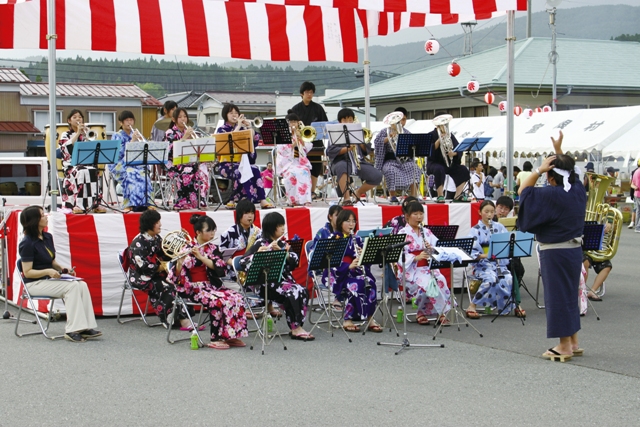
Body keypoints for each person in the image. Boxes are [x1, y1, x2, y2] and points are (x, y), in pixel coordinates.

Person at [518, 130, 586, 361]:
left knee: (558, 297)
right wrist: (559, 152)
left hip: (555, 251)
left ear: (551, 177)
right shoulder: (578, 190)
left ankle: (564, 345)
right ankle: (574, 341)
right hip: (574, 250)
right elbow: (573, 173)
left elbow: (523, 191)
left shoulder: (550, 194)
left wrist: (538, 170)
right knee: (569, 295)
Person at [18, 206, 101, 343]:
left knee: (82, 284)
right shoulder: (27, 243)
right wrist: (48, 271)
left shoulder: (47, 237)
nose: (46, 217)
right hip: (33, 283)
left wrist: (63, 269)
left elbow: (52, 261)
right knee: (72, 287)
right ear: (34, 220)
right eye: (42, 215)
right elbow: (27, 272)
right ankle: (72, 329)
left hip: (48, 281)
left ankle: (86, 327)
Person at [168, 214, 248, 350]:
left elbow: (220, 268)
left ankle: (230, 335)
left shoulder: (212, 248)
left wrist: (201, 257)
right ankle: (216, 337)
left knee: (237, 297)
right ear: (198, 232)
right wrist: (179, 262)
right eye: (209, 230)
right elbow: (175, 276)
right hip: (194, 288)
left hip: (211, 285)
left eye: (213, 230)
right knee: (217, 301)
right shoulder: (186, 248)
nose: (212, 233)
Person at [239, 212, 313, 340]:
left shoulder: (282, 243)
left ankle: (297, 325)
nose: (283, 228)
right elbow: (242, 262)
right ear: (272, 228)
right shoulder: (260, 243)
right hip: (265, 283)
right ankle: (295, 328)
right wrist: (257, 254)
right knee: (292, 292)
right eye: (280, 225)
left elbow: (295, 261)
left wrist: (284, 252)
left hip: (282, 281)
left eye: (283, 225)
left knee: (302, 290)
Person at [127, 210, 193, 329]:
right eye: (157, 222)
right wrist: (161, 267)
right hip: (141, 276)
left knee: (180, 282)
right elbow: (143, 267)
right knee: (167, 286)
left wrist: (180, 241)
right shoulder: (138, 243)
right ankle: (177, 320)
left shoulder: (156, 238)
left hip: (155, 273)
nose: (160, 225)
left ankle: (184, 317)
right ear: (149, 224)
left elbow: (166, 253)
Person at [396, 202, 451, 326]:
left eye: (421, 214)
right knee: (428, 282)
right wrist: (416, 257)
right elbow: (399, 255)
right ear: (407, 216)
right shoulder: (402, 233)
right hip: (412, 270)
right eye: (415, 214)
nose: (419, 217)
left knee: (439, 278)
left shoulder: (427, 232)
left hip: (428, 266)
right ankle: (440, 312)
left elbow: (438, 248)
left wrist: (431, 249)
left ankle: (424, 312)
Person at [330, 209, 382, 333]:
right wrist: (347, 266)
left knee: (369, 282)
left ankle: (370, 318)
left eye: (353, 221)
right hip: (340, 274)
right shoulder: (334, 238)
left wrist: (362, 255)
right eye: (348, 221)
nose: (351, 224)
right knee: (356, 285)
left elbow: (365, 261)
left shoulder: (357, 238)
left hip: (356, 272)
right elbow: (330, 262)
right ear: (340, 222)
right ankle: (347, 319)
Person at [215, 104, 274, 210]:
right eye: (231, 113)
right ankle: (244, 200)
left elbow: (255, 139)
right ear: (225, 115)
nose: (234, 115)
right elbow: (228, 142)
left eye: (236, 113)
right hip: (227, 164)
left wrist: (248, 127)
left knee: (254, 169)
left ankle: (262, 199)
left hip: (243, 162)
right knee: (242, 170)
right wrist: (238, 126)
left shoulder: (243, 128)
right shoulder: (222, 129)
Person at [464, 201, 516, 318]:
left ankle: (504, 307)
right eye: (486, 212)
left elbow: (507, 245)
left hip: (499, 263)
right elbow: (471, 253)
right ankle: (473, 305)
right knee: (490, 278)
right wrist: (486, 255)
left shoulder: (500, 227)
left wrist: (501, 252)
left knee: (507, 278)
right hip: (483, 264)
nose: (489, 214)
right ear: (480, 212)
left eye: (492, 212)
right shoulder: (475, 230)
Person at [326, 108, 382, 205]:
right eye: (345, 120)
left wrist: (360, 142)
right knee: (341, 167)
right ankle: (346, 198)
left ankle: (359, 192)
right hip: (341, 161)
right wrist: (346, 149)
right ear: (340, 122)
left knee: (377, 176)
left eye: (350, 120)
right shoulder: (335, 134)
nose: (348, 122)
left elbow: (366, 150)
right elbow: (330, 151)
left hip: (359, 162)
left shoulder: (358, 132)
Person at [58, 109, 106, 214]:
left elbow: (93, 148)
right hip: (71, 165)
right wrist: (78, 133)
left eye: (80, 117)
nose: (78, 119)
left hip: (86, 164)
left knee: (93, 170)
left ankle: (95, 204)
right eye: (74, 117)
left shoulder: (86, 133)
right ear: (69, 121)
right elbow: (66, 149)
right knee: (81, 171)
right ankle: (78, 204)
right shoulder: (65, 135)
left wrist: (85, 134)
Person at [164, 107, 210, 210]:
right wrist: (184, 137)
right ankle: (183, 202)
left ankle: (199, 200)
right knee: (187, 172)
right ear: (174, 119)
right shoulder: (170, 132)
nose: (183, 119)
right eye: (179, 117)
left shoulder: (189, 131)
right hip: (175, 164)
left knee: (201, 171)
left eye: (185, 116)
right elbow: (170, 151)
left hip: (189, 163)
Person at [108, 110, 154, 212]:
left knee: (144, 174)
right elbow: (119, 154)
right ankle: (129, 204)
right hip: (120, 165)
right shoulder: (117, 135)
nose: (129, 122)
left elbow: (146, 149)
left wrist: (141, 141)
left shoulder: (136, 133)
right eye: (126, 120)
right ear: (121, 122)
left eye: (131, 120)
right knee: (131, 174)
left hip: (135, 164)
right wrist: (132, 141)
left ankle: (147, 202)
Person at [372, 107, 419, 203]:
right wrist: (388, 138)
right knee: (390, 170)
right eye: (399, 119)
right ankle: (392, 195)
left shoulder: (407, 132)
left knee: (415, 168)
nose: (401, 122)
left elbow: (412, 148)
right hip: (389, 161)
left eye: (404, 119)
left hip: (404, 160)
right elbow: (377, 142)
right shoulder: (384, 131)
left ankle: (413, 196)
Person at [290, 81, 328, 196]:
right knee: (300, 165)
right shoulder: (295, 109)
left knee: (316, 166)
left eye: (311, 92)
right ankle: (301, 191)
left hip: (315, 142)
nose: (309, 95)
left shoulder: (318, 108)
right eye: (307, 92)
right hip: (299, 142)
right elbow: (291, 124)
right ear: (302, 94)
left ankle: (311, 191)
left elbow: (324, 124)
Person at [426, 112, 470, 202]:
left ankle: (458, 195)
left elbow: (458, 148)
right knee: (439, 169)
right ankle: (440, 195)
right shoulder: (430, 134)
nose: (444, 125)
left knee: (463, 169)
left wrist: (454, 154)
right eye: (442, 123)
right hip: (434, 163)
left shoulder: (450, 135)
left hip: (448, 164)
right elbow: (429, 150)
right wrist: (439, 140)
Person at [219, 198, 262, 283]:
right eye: (246, 213)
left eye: (252, 213)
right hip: (234, 271)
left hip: (253, 268)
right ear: (239, 215)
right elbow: (222, 255)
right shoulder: (228, 233)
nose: (250, 216)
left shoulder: (258, 232)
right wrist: (237, 265)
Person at [275, 112, 313, 206]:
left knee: (304, 171)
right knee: (292, 173)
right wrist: (294, 143)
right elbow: (282, 150)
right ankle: (293, 200)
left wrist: (301, 139)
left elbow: (307, 148)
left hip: (300, 163)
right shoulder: (282, 135)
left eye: (295, 122)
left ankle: (306, 200)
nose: (293, 124)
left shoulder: (301, 133)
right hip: (287, 164)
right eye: (290, 122)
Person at [631, 159, 640, 231]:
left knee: (638, 211)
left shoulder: (636, 171)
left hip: (636, 194)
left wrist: (636, 187)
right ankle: (638, 227)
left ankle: (637, 227)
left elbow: (632, 184)